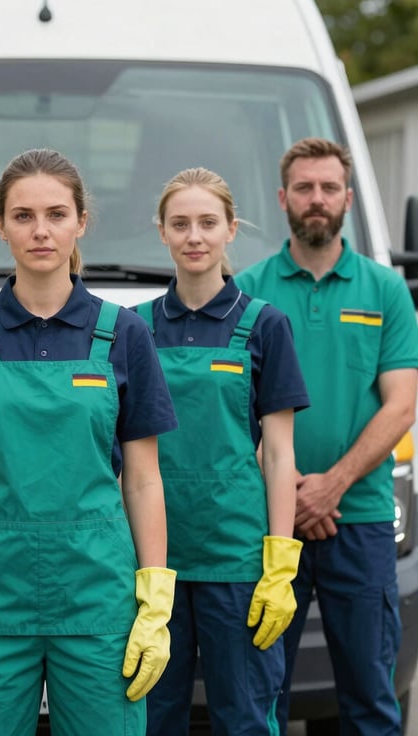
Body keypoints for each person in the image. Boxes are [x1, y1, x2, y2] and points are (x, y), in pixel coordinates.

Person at [0, 147, 178, 735]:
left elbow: (144, 477)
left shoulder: (123, 334)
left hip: (98, 592)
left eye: (56, 214)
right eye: (23, 216)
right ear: (1, 226)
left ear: (81, 221)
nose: (40, 230)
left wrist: (156, 597)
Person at [236, 137, 418, 735]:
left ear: (348, 197)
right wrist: (288, 488)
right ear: (284, 197)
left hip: (359, 519)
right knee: (263, 697)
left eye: (329, 188)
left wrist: (330, 486)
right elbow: (233, 404)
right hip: (267, 523)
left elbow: (402, 404)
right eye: (305, 188)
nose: (318, 199)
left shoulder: (384, 290)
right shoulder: (247, 290)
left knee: (369, 698)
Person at [134, 168, 309, 735]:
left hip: (237, 559)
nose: (194, 237)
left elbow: (280, 453)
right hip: (150, 560)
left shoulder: (264, 326)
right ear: (161, 232)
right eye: (180, 224)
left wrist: (280, 563)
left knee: (246, 718)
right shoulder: (132, 330)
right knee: (151, 716)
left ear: (231, 229)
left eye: (208, 223)